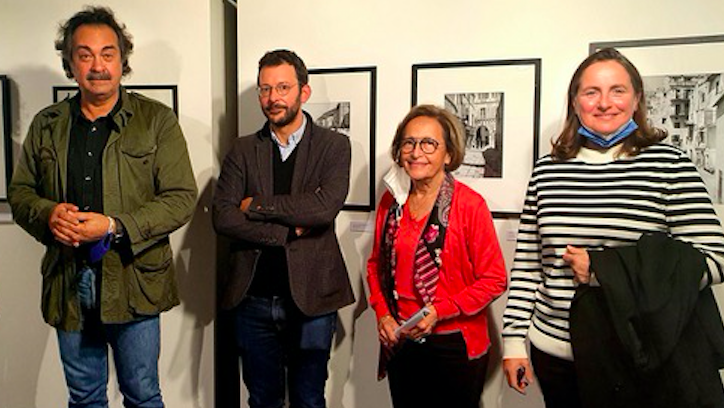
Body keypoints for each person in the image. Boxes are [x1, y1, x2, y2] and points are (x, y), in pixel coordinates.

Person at [502, 48, 724, 408]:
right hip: (555, 352)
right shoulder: (547, 170)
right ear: (575, 102)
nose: (604, 103)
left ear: (636, 99)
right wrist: (513, 342)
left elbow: (714, 259)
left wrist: (605, 270)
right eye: (591, 92)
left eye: (617, 90)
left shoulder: (670, 165)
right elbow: (529, 264)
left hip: (636, 350)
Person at [7, 6, 196, 408]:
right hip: (68, 281)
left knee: (142, 395)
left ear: (122, 60)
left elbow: (181, 199)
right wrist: (47, 213)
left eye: (107, 54)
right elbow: (21, 193)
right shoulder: (47, 124)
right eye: (85, 54)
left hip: (134, 279)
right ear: (70, 62)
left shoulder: (156, 120)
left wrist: (113, 225)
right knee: (84, 398)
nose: (97, 66)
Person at [212, 49, 354, 408]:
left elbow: (324, 209)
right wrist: (286, 232)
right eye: (265, 89)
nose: (273, 98)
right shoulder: (243, 149)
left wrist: (257, 205)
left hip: (312, 298)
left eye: (283, 87)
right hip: (253, 300)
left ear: (303, 92)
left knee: (309, 399)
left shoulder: (334, 145)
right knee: (262, 400)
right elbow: (224, 217)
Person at [365, 105, 507, 407]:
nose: (417, 152)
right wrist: (383, 315)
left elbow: (494, 280)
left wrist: (441, 310)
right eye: (409, 142)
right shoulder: (392, 201)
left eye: (429, 143)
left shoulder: (469, 205)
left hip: (454, 343)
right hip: (401, 339)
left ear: (448, 154)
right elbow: (375, 264)